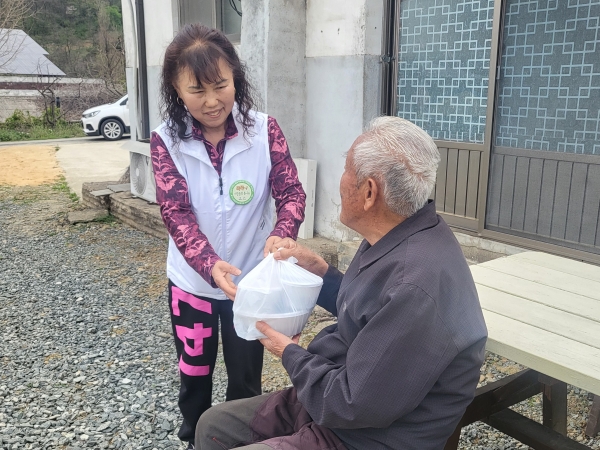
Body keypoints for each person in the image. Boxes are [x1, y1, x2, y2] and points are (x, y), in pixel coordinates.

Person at [194, 116, 488, 450]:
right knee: (213, 425)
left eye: (347, 169)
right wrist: (320, 271)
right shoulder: (400, 232)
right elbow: (372, 310)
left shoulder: (416, 285)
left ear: (369, 192)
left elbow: (350, 404)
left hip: (361, 435)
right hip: (330, 398)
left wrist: (287, 351)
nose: (341, 180)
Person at [150, 24, 306, 450]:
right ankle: (193, 439)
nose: (212, 101)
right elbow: (176, 212)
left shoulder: (264, 130)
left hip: (249, 284)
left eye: (221, 85)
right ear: (176, 89)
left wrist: (282, 234)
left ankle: (239, 443)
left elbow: (291, 192)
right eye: (196, 90)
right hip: (192, 285)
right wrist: (209, 263)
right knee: (194, 375)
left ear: (235, 77)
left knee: (246, 378)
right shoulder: (166, 141)